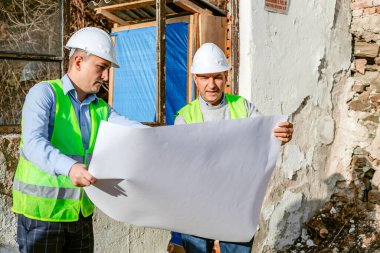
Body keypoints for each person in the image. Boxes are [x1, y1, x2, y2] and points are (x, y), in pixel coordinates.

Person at [12, 27, 144, 253]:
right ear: (79, 62)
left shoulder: (101, 108)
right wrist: (70, 167)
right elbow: (33, 143)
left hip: (80, 215)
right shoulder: (44, 94)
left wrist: (170, 139)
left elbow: (135, 131)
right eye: (101, 68)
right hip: (42, 216)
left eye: (107, 69)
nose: (106, 77)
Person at [173, 43, 294, 253]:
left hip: (237, 202)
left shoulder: (242, 106)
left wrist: (281, 135)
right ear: (195, 79)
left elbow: (266, 134)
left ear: (226, 77)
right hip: (197, 203)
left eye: (217, 77)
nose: (211, 84)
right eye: (204, 77)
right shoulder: (185, 116)